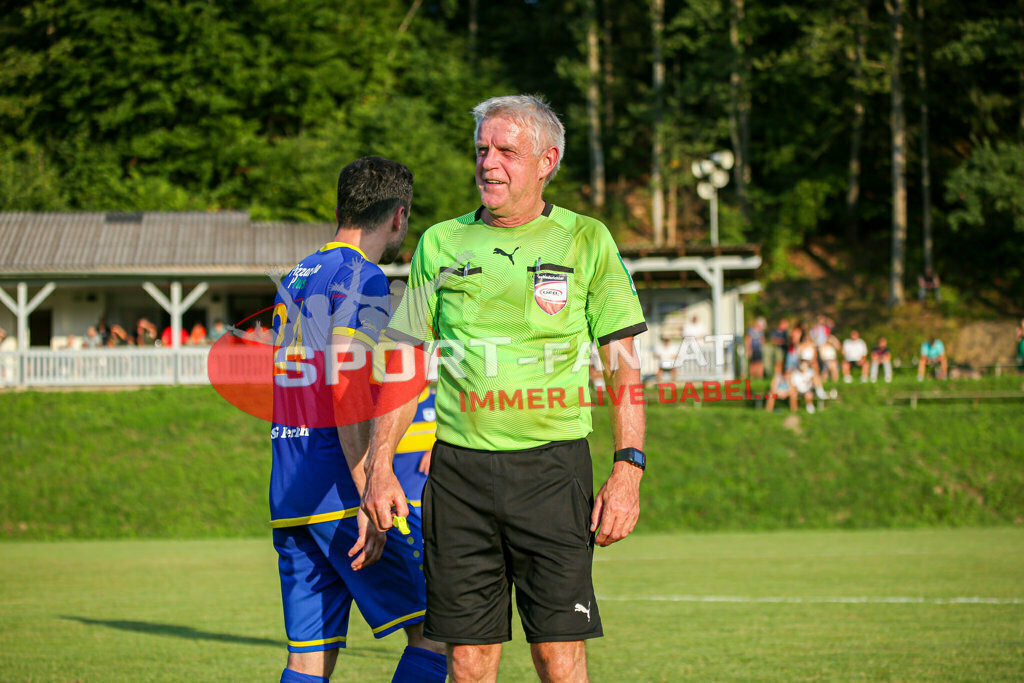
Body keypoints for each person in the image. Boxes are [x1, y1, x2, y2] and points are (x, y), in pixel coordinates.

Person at [361, 95, 647, 682]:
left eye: (506, 151)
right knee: (466, 660)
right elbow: (402, 361)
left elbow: (622, 364)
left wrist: (628, 468)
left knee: (558, 655)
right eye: (482, 150)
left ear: (547, 161)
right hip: (459, 477)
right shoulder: (439, 243)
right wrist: (381, 464)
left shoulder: (586, 239)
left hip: (552, 472)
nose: (489, 163)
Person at [269, 157, 446, 683]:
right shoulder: (361, 276)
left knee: (308, 660)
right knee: (439, 632)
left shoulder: (298, 274)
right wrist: (369, 485)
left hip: (291, 493)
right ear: (399, 216)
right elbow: (344, 387)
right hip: (341, 492)